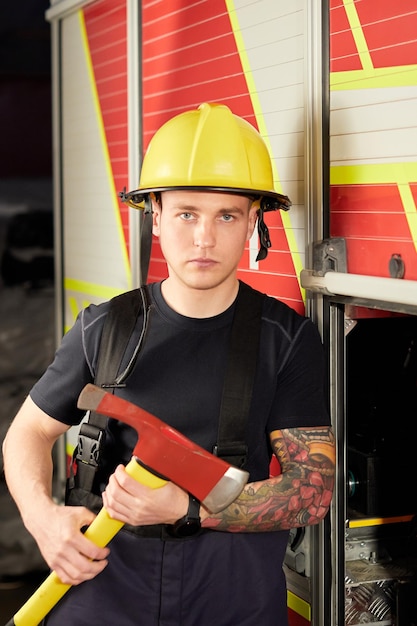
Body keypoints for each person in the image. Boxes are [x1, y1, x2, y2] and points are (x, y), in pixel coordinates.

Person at [2, 102, 335, 626]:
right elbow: (26, 434)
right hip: (104, 582)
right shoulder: (103, 327)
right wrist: (43, 520)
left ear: (253, 222)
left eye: (226, 215)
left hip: (230, 591)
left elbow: (313, 491)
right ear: (155, 216)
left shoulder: (287, 339)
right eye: (186, 213)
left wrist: (188, 509)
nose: (204, 238)